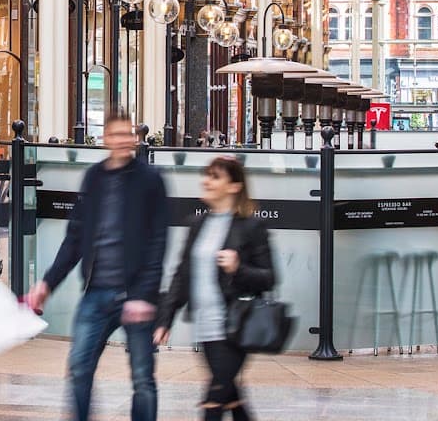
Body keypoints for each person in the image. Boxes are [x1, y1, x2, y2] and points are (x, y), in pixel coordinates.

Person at [26, 108, 169, 421]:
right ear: (105, 139)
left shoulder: (151, 181)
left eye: (127, 134)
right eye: (115, 134)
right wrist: (47, 284)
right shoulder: (94, 178)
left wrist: (144, 296)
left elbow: (158, 244)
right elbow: (75, 239)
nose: (122, 141)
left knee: (143, 378)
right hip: (97, 293)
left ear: (134, 138)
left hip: (136, 295)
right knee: (79, 366)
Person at [154, 156, 275, 421]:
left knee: (213, 402)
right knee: (231, 399)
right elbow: (181, 276)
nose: (206, 181)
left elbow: (269, 278)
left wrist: (238, 268)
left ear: (234, 186)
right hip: (206, 328)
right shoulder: (198, 225)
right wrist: (165, 319)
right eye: (206, 175)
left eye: (215, 176)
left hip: (234, 328)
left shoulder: (252, 226)